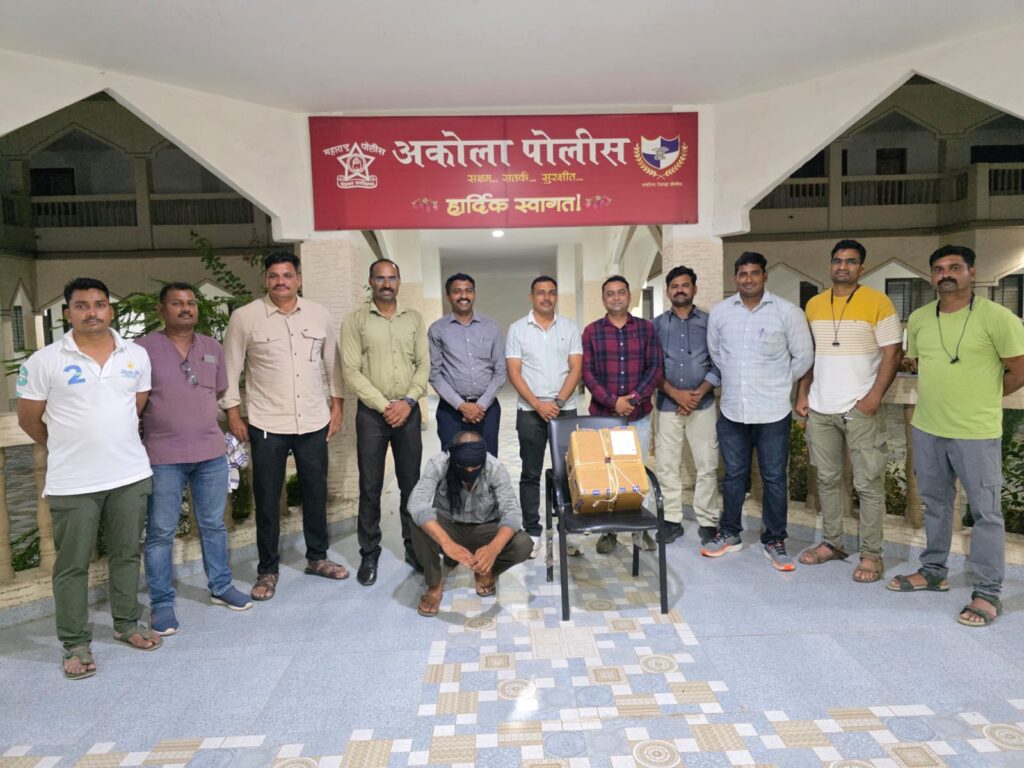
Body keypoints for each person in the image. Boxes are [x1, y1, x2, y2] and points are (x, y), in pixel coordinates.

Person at [17, 277, 160, 679]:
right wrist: (66, 445)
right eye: (81, 306)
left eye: (99, 304)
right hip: (73, 482)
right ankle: (75, 643)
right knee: (72, 565)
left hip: (129, 474)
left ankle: (127, 624)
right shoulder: (44, 361)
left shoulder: (136, 355)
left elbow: (136, 406)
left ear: (110, 310)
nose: (92, 312)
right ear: (68, 313)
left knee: (126, 554)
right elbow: (29, 419)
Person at [888, 245, 1024, 626]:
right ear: (932, 276)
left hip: (976, 432)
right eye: (938, 269)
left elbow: (1019, 369)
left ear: (971, 272)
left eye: (954, 267)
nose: (945, 274)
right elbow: (922, 364)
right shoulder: (919, 319)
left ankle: (988, 592)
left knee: (985, 514)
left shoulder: (998, 318)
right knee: (935, 504)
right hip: (928, 428)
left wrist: (985, 396)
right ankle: (934, 571)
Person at [222, 252, 346, 602]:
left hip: (313, 420)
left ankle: (317, 558)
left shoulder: (319, 315)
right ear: (266, 280)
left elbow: (332, 363)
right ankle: (267, 569)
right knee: (266, 498)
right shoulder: (245, 317)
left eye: (287, 275)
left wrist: (337, 405)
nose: (281, 281)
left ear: (298, 280)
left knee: (315, 493)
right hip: (266, 423)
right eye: (274, 275)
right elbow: (230, 368)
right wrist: (233, 414)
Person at [137, 283, 252, 636]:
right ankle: (161, 602)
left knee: (214, 524)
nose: (185, 308)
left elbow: (218, 391)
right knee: (161, 532)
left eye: (190, 303)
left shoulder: (211, 347)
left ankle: (221, 586)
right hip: (163, 457)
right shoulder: (142, 349)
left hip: (210, 455)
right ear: (161, 310)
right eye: (176, 303)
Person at [795, 240, 902, 582]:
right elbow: (810, 354)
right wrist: (803, 392)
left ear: (862, 267)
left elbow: (893, 352)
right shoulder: (814, 304)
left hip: (860, 407)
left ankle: (871, 554)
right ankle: (832, 542)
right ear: (830, 265)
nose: (843, 266)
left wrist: (874, 397)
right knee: (826, 479)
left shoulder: (878, 302)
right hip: (821, 407)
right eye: (838, 261)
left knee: (868, 482)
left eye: (851, 261)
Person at [705, 252, 814, 570]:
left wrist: (778, 382)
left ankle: (775, 539)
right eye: (743, 274)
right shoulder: (721, 313)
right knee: (733, 476)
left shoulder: (787, 312)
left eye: (754, 273)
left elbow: (804, 357)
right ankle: (730, 533)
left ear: (765, 276)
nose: (748, 279)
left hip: (772, 411)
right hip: (733, 410)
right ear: (735, 277)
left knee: (774, 478)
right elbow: (717, 353)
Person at [341, 258, 429, 586]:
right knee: (370, 485)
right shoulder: (355, 320)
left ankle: (414, 548)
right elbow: (351, 371)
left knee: (411, 484)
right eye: (380, 278)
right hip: (371, 415)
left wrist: (408, 401)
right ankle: (369, 552)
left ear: (399, 281)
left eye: (392, 278)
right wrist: (384, 405)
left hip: (408, 411)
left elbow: (423, 364)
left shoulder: (414, 319)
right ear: (371, 282)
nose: (387, 284)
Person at [408, 431, 532, 616]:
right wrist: (447, 543)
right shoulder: (438, 463)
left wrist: (493, 549)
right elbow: (417, 504)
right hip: (449, 525)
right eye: (463, 467)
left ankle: (486, 570)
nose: (469, 472)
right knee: (417, 521)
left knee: (523, 544)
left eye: (475, 467)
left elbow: (512, 513)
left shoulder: (495, 467)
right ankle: (434, 585)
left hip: (485, 528)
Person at [582, 275, 663, 554]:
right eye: (610, 293)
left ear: (629, 296)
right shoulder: (592, 332)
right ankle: (610, 532)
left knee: (636, 471)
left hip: (637, 416)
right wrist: (613, 402)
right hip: (603, 417)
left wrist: (634, 399)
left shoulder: (646, 329)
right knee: (606, 473)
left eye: (620, 292)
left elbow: (655, 368)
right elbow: (588, 373)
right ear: (603, 298)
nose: (616, 297)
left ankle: (641, 530)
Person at [505, 275, 583, 557]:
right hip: (530, 412)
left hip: (566, 409)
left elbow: (576, 368)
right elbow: (514, 372)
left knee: (569, 472)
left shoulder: (570, 327)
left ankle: (569, 529)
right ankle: (532, 531)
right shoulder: (517, 329)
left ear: (556, 296)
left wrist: (558, 401)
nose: (546, 297)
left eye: (551, 292)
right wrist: (539, 405)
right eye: (541, 292)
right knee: (530, 473)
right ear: (531, 297)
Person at [653, 265, 721, 546]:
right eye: (674, 286)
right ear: (668, 291)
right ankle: (671, 519)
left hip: (702, 405)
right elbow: (652, 366)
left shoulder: (710, 322)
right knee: (666, 465)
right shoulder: (657, 325)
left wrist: (696, 395)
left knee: (707, 464)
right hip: (667, 405)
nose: (679, 290)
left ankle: (708, 520)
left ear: (694, 288)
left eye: (685, 285)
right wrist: (677, 395)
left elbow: (720, 361)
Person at [428, 272, 506, 456]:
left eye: (468, 291)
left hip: (487, 409)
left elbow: (500, 370)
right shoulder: (437, 329)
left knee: (488, 460)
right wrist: (461, 406)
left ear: (474, 294)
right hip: (451, 411)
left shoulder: (491, 326)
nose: (463, 296)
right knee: (453, 461)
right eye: (457, 291)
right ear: (448, 296)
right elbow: (434, 374)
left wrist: (481, 405)